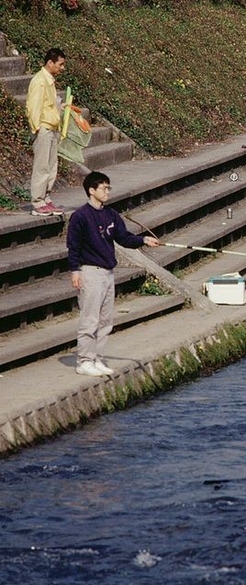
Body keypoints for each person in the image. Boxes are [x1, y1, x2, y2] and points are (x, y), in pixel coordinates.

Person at [67, 171, 160, 377]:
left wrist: (143, 240)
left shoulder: (111, 214)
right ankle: (84, 361)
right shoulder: (80, 216)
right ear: (92, 191)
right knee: (89, 319)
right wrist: (75, 271)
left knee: (105, 320)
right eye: (104, 188)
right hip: (90, 272)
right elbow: (73, 246)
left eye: (109, 188)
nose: (107, 191)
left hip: (108, 273)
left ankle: (96, 357)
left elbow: (124, 238)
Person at [26, 47, 67, 216]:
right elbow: (32, 107)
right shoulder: (39, 80)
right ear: (50, 63)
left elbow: (48, 104)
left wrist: (61, 107)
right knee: (42, 166)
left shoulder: (49, 80)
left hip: (51, 128)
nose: (62, 68)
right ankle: (37, 201)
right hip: (43, 128)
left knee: (51, 166)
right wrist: (36, 128)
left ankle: (46, 198)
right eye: (60, 64)